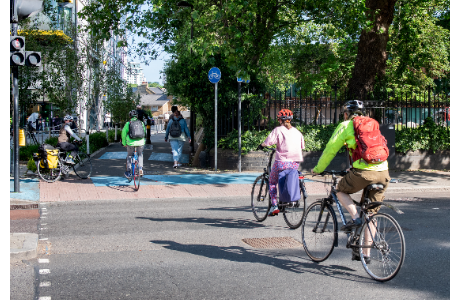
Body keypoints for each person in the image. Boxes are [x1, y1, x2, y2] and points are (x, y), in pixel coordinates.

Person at [311, 100, 390, 260]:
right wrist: (353, 166)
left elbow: (330, 149)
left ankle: (355, 218)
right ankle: (365, 254)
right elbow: (370, 149)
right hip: (383, 171)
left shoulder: (346, 125)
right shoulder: (373, 123)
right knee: (371, 213)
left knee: (340, 190)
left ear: (346, 114)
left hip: (364, 172)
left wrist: (318, 169)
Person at [257, 109, 305, 216]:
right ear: (290, 120)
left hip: (282, 162)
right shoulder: (297, 132)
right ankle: (289, 199)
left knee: (272, 182)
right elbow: (302, 146)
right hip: (295, 163)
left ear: (279, 120)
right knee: (289, 177)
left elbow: (269, 142)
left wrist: (261, 145)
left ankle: (274, 205)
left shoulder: (278, 130)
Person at [122, 110, 146, 178]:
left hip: (131, 142)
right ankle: (140, 169)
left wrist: (124, 143)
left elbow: (123, 134)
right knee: (140, 154)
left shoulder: (128, 123)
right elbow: (144, 132)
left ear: (130, 117)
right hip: (140, 142)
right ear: (137, 116)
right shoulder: (141, 123)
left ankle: (128, 172)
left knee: (129, 155)